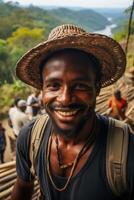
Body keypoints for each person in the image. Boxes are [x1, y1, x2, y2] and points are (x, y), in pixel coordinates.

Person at [11, 24, 134, 200]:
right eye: (54, 85)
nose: (66, 99)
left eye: (80, 85)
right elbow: (23, 187)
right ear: (43, 90)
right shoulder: (30, 136)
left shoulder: (126, 152)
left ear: (97, 87)